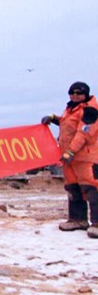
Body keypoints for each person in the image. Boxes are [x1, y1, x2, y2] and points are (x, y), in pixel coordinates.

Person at [41, 81, 98, 233]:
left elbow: (83, 133)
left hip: (86, 158)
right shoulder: (71, 109)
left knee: (92, 188)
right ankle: (78, 219)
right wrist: (54, 119)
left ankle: (97, 223)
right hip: (69, 159)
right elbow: (67, 126)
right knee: (73, 188)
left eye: (78, 93)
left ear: (85, 94)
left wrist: (71, 151)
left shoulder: (90, 110)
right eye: (72, 93)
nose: (75, 95)